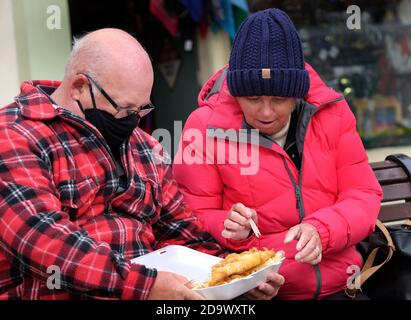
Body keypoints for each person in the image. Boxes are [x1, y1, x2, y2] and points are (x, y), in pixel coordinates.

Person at [0, 29, 284, 300]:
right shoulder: (15, 136)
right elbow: (43, 241)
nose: (133, 120)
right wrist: (143, 286)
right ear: (79, 87)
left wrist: (236, 277)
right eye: (124, 110)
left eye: (141, 110)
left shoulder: (145, 148)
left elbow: (182, 232)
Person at [173, 9, 383, 299]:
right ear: (236, 93)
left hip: (342, 286)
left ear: (297, 93)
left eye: (280, 99)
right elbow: (188, 219)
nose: (266, 112)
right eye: (253, 99)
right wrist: (227, 226)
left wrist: (324, 230)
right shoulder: (204, 128)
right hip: (257, 290)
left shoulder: (333, 114)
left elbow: (363, 194)